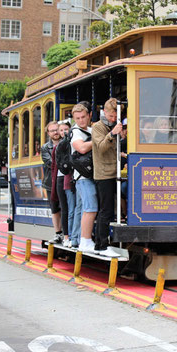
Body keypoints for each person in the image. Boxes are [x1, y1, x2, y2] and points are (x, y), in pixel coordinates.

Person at [92, 98, 123, 256]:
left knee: (115, 208)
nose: (113, 119)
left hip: (116, 172)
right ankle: (101, 245)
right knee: (106, 210)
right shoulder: (98, 127)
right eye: (111, 116)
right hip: (103, 174)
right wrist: (112, 134)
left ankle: (109, 242)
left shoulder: (114, 126)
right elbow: (101, 147)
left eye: (116, 116)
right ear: (105, 112)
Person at [70, 102, 98, 254]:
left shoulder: (91, 130)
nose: (81, 120)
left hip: (94, 174)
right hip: (82, 177)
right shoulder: (75, 132)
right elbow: (80, 148)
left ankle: (86, 238)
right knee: (90, 208)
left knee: (88, 208)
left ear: (89, 116)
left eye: (83, 117)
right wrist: (98, 140)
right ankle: (85, 241)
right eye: (77, 118)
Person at [41, 121, 63, 243]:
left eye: (56, 129)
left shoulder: (66, 143)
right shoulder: (45, 147)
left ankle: (66, 233)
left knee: (65, 207)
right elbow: (50, 163)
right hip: (51, 183)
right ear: (48, 133)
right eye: (52, 130)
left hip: (65, 180)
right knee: (54, 208)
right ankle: (58, 233)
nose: (55, 132)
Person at [59, 120, 80, 249]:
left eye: (67, 129)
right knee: (71, 209)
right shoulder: (63, 146)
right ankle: (70, 236)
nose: (65, 132)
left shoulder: (75, 141)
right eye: (62, 130)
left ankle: (76, 236)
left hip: (78, 178)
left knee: (78, 209)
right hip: (69, 180)